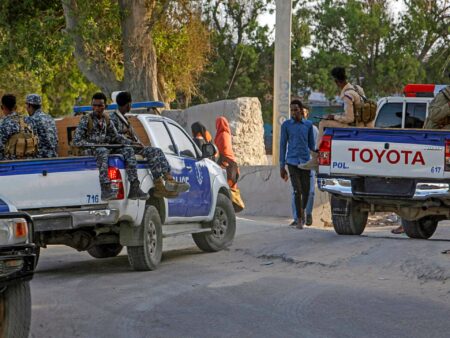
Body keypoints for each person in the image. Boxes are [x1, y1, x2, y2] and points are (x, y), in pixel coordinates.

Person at [111, 91, 189, 198]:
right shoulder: (113, 119)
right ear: (128, 104)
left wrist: (139, 144)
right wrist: (132, 143)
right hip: (121, 148)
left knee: (156, 151)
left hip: (132, 146)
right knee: (138, 150)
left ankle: (165, 181)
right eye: (130, 104)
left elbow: (133, 136)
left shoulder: (125, 118)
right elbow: (115, 137)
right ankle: (159, 185)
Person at [72, 92, 149, 201]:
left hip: (104, 148)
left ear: (105, 106)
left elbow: (116, 137)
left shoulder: (106, 120)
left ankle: (134, 187)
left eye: (100, 106)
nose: (97, 108)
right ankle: (106, 189)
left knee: (127, 150)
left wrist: (131, 143)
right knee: (102, 150)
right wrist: (93, 145)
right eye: (94, 105)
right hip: (89, 150)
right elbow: (76, 141)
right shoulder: (86, 119)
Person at [300, 66, 369, 170]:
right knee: (328, 120)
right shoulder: (357, 88)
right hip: (362, 123)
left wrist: (334, 117)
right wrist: (336, 116)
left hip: (354, 125)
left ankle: (316, 156)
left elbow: (350, 118)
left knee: (323, 123)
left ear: (337, 82)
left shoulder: (348, 95)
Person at [280, 99, 315, 229]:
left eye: (295, 109)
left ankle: (303, 210)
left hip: (305, 162)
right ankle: (299, 218)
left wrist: (317, 157)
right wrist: (282, 166)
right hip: (292, 162)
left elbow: (312, 145)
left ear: (301, 110)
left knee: (306, 191)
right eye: (292, 110)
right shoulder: (286, 125)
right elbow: (283, 145)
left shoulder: (309, 125)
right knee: (297, 190)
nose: (293, 112)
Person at [290, 107, 318, 226]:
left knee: (310, 192)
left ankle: (308, 213)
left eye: (304, 113)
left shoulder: (313, 129)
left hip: (309, 164)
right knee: (296, 191)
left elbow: (316, 147)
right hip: (295, 163)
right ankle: (297, 218)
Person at [215, 116, 245, 211]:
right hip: (232, 165)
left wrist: (221, 163)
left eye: (218, 123)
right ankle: (230, 209)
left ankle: (229, 210)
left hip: (227, 165)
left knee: (226, 190)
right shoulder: (227, 134)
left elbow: (223, 151)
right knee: (230, 190)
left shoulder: (222, 135)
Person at [0, 94, 38, 160]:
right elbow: (36, 140)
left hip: (11, 165)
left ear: (2, 107)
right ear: (15, 107)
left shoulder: (3, 123)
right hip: (30, 162)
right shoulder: (29, 120)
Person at [24, 94, 58, 158]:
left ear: (29, 105)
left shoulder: (31, 119)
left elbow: (28, 143)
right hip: (53, 157)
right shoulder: (50, 118)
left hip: (40, 159)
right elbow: (56, 141)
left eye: (26, 105)